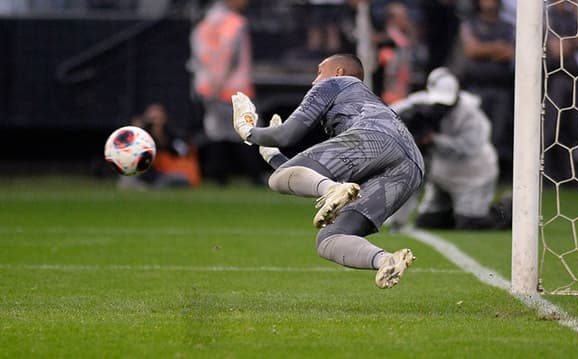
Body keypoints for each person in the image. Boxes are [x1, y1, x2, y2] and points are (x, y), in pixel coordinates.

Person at [230, 54, 424, 289]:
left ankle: (331, 190)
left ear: (339, 72)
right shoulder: (368, 102)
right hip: (412, 165)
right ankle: (386, 260)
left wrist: (247, 130)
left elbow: (286, 135)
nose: (315, 81)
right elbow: (298, 176)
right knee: (330, 238)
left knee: (277, 182)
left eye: (319, 72)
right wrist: (272, 155)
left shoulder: (335, 84)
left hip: (374, 137)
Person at [389, 67, 511, 230]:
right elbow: (387, 114)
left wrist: (434, 140)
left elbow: (469, 148)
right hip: (442, 174)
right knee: (427, 223)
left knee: (470, 224)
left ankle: (509, 208)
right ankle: (455, 212)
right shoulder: (418, 105)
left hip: (472, 175)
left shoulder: (470, 114)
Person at [188, 0, 265, 185]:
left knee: (217, 132)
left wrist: (209, 84)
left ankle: (218, 177)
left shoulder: (204, 23)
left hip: (208, 87)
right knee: (248, 129)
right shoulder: (235, 23)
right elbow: (228, 54)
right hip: (233, 87)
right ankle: (255, 175)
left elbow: (199, 54)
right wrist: (218, 83)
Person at [458, 0, 515, 182]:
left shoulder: (508, 26)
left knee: (497, 135)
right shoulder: (470, 23)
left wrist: (485, 50)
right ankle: (472, 175)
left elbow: (511, 52)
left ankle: (492, 177)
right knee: (474, 135)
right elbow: (471, 50)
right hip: (476, 89)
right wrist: (497, 48)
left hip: (500, 89)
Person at [118, 103, 201, 190]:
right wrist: (136, 129)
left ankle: (147, 187)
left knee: (180, 178)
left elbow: (183, 151)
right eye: (153, 119)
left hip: (165, 173)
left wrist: (161, 136)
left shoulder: (171, 134)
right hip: (146, 173)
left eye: (158, 118)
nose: (156, 122)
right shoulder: (141, 136)